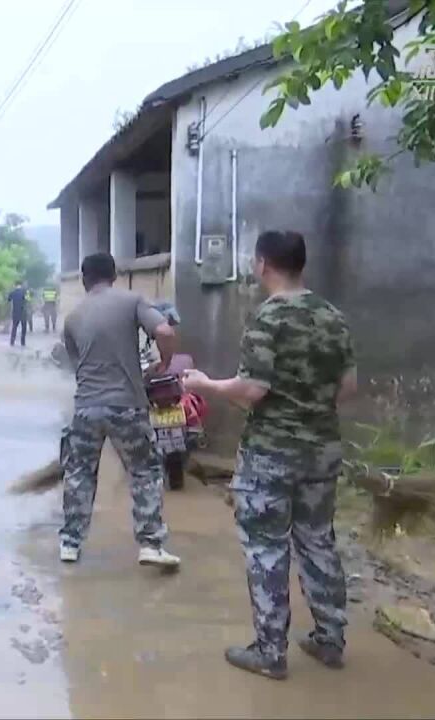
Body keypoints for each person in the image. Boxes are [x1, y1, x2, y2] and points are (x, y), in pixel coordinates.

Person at [180, 230, 357, 681]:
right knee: (318, 539)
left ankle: (270, 651)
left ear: (262, 264)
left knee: (266, 548)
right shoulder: (334, 317)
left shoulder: (268, 317)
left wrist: (205, 385)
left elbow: (253, 389)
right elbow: (348, 388)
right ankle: (330, 639)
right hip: (323, 449)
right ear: (302, 264)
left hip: (272, 454)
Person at [59, 252, 180, 568]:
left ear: (84, 280)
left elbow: (76, 367)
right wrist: (165, 362)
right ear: (114, 275)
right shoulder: (132, 301)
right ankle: (150, 543)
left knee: (79, 474)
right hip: (127, 405)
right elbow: (165, 331)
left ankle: (70, 544)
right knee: (144, 471)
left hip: (86, 408)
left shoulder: (72, 318)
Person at [7, 280, 28, 347]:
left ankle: (12, 342)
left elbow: (8, 300)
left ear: (15, 285)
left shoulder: (12, 292)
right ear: (21, 285)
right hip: (23, 313)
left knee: (14, 327)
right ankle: (23, 342)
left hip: (15, 312)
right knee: (23, 328)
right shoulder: (24, 292)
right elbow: (27, 300)